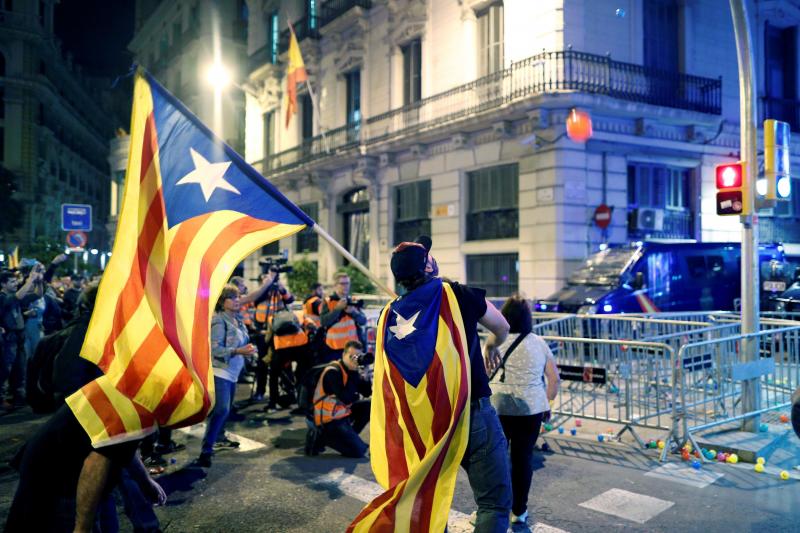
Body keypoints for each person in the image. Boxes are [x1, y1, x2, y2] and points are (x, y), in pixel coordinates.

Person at [384, 238, 513, 532]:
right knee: (493, 503)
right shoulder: (455, 295)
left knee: (429, 500)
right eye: (429, 255)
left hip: (426, 421)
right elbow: (502, 326)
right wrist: (491, 345)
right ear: (429, 266)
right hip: (471, 410)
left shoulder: (390, 316)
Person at [490, 294, 560, 525]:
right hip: (530, 409)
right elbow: (554, 379)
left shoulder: (494, 341)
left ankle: (493, 510)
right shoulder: (538, 343)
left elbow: (482, 372)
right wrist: (547, 403)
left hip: (498, 406)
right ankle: (519, 511)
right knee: (522, 459)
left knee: (496, 459)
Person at [197, 284, 256, 468]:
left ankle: (218, 439)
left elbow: (243, 343)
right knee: (221, 410)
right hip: (221, 371)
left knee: (225, 410)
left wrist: (250, 350)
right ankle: (206, 451)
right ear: (222, 302)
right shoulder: (219, 320)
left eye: (237, 296)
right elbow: (214, 350)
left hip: (233, 373)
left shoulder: (237, 319)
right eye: (232, 297)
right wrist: (238, 351)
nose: (237, 300)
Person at [306, 340, 372, 458]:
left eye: (357, 356)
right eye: (351, 356)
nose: (354, 360)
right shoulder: (333, 371)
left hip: (341, 414)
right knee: (358, 452)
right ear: (343, 355)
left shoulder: (352, 370)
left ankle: (350, 438)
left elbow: (367, 393)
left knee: (368, 405)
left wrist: (366, 376)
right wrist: (355, 374)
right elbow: (346, 398)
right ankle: (321, 437)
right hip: (327, 420)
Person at [251, 268, 294, 407]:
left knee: (282, 363)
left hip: (278, 333)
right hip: (263, 333)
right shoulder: (260, 294)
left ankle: (288, 390)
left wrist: (281, 288)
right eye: (266, 280)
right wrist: (267, 286)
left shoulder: (279, 292)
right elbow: (256, 300)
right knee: (262, 363)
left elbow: (290, 299)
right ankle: (260, 391)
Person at [0, 268, 41, 409]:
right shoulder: (3, 297)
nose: (16, 283)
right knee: (5, 370)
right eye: (12, 281)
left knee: (20, 369)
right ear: (3, 284)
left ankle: (18, 397)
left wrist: (38, 282)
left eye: (15, 281)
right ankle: (1, 399)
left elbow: (37, 294)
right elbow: (17, 297)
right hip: (8, 339)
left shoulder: (16, 295)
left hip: (19, 338)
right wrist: (30, 279)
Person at [318, 272, 366, 364]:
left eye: (347, 283)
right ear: (335, 285)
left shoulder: (353, 300)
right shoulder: (328, 301)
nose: (345, 286)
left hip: (353, 348)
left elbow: (363, 321)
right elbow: (323, 322)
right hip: (334, 348)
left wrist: (354, 312)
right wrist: (337, 309)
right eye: (342, 283)